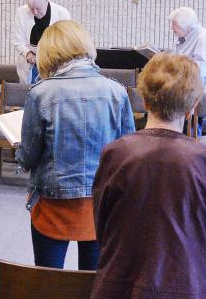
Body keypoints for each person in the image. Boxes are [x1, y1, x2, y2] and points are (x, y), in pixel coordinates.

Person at [91, 54, 206, 298]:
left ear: (145, 101)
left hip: (118, 286)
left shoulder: (114, 154)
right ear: (193, 106)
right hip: (187, 287)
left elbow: (102, 228)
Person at [15, 20, 134, 270]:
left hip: (52, 205)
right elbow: (128, 153)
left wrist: (19, 147)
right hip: (99, 205)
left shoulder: (40, 93)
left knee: (49, 283)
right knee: (91, 285)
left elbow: (28, 158)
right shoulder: (116, 92)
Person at [12, 0, 71, 83]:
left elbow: (66, 44)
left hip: (54, 63)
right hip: (31, 63)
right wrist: (27, 53)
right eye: (31, 8)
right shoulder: (21, 12)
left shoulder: (62, 14)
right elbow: (18, 41)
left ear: (46, 0)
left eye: (38, 8)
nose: (35, 12)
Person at [169, 7, 206, 93]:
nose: (172, 28)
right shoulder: (183, 37)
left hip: (201, 97)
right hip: (185, 93)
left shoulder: (204, 39)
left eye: (174, 24)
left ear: (187, 27)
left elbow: (199, 72)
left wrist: (176, 65)